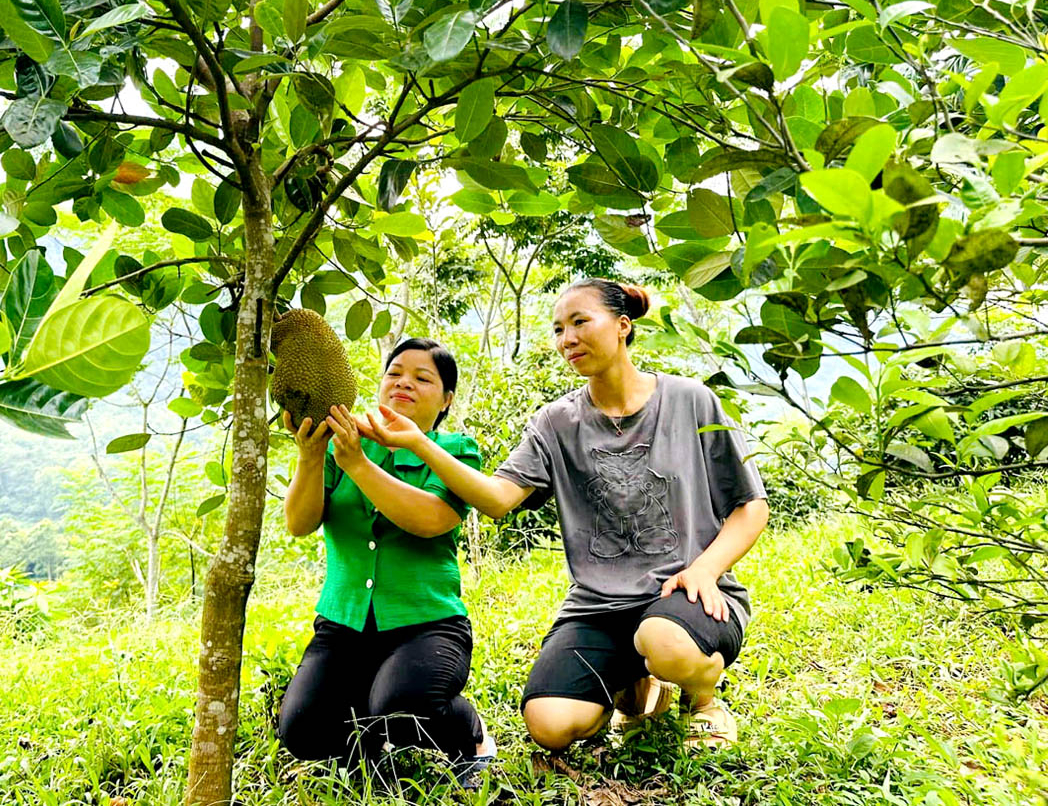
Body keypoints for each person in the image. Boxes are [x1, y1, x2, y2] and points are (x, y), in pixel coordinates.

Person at [358, 279, 769, 751]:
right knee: (549, 724)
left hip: (684, 592)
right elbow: (495, 499)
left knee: (666, 642)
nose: (566, 339)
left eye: (579, 322)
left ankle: (702, 700)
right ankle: (636, 687)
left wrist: (705, 569)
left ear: (621, 326)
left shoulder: (689, 399)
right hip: (598, 606)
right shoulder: (556, 422)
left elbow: (750, 506)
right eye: (558, 329)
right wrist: (419, 442)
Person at [277, 337, 496, 785]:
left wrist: (357, 465)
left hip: (427, 624)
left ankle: (470, 734)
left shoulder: (454, 450)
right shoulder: (343, 441)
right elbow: (300, 523)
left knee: (402, 709)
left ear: (446, 399)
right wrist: (311, 455)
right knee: (300, 730)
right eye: (394, 373)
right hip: (344, 626)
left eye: (422, 378)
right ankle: (371, 745)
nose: (404, 383)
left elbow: (432, 519)